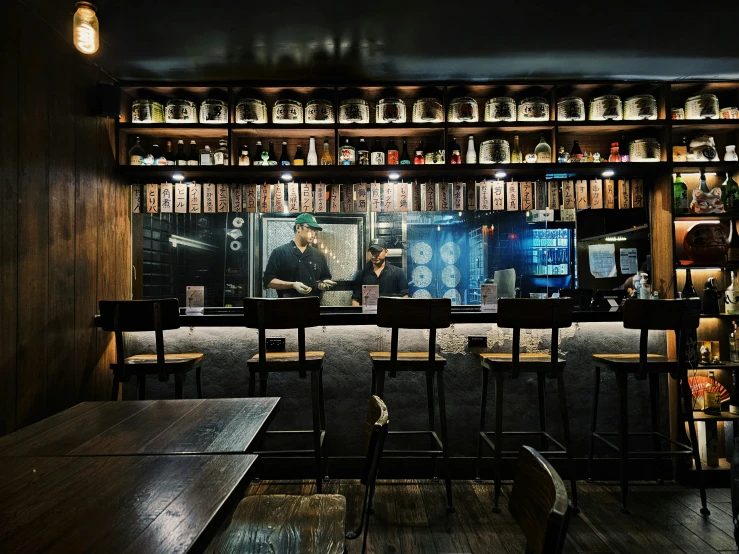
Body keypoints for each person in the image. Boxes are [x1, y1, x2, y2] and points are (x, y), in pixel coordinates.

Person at [263, 213, 336, 298]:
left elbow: (323, 279)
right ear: (298, 228)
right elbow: (268, 281)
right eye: (310, 229)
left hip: (312, 306)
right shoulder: (279, 252)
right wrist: (293, 285)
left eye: (315, 230)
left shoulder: (318, 255)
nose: (313, 234)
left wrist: (324, 284)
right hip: (286, 306)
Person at [351, 238, 409, 306]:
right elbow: (355, 299)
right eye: (372, 251)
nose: (375, 255)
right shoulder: (361, 275)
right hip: (369, 315)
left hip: (391, 315)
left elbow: (405, 296)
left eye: (378, 251)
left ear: (386, 252)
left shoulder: (398, 273)